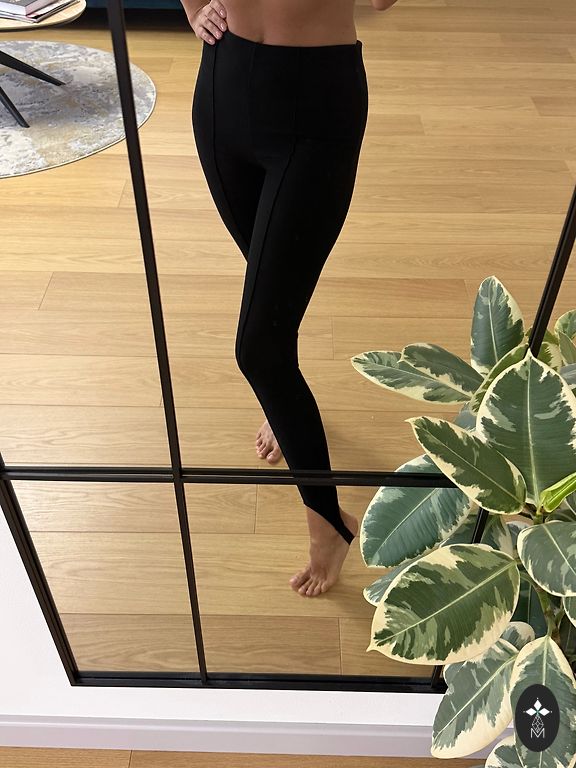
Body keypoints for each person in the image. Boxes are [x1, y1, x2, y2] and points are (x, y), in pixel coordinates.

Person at [182, 0, 398, 597]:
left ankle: (328, 524)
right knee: (270, 298)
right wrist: (194, 8)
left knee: (260, 346)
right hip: (222, 87)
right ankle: (285, 404)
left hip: (315, 102)